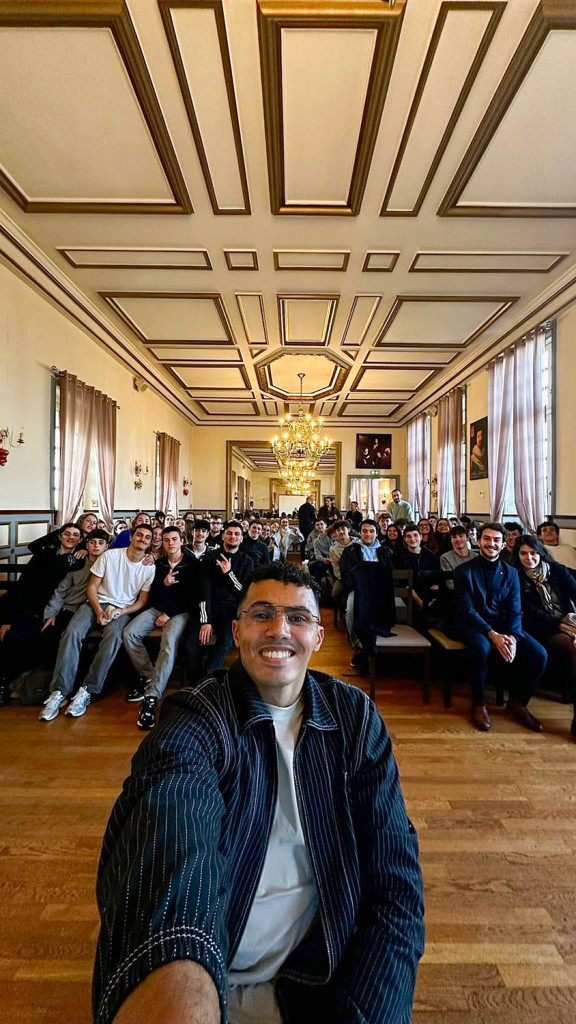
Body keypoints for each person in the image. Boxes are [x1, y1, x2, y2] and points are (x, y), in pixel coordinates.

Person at [93, 561, 424, 1024]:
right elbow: (170, 848)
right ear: (237, 630)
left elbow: (396, 887)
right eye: (262, 614)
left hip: (321, 975)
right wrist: (182, 985)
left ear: (318, 637)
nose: (279, 630)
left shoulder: (355, 720)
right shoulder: (199, 717)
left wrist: (368, 1011)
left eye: (299, 618)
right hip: (213, 972)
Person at [41, 524, 156, 720]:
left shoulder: (149, 567)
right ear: (131, 537)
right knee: (72, 633)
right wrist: (98, 609)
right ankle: (59, 691)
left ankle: (87, 690)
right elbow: (92, 587)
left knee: (113, 638)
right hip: (95, 603)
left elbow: (142, 601)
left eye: (147, 537)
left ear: (150, 542)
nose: (142, 539)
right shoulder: (110, 556)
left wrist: (122, 611)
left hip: (122, 609)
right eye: (139, 535)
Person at [451, 522, 548, 733]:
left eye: (496, 540)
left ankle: (518, 702)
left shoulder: (511, 572)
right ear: (478, 541)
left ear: (504, 544)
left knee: (539, 654)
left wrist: (513, 636)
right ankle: (479, 704)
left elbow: (515, 609)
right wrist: (492, 634)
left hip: (503, 625)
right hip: (472, 624)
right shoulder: (463, 570)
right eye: (487, 539)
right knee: (481, 649)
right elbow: (467, 610)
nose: (491, 544)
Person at [123, 526, 209, 730]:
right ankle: (151, 675)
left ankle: (152, 696)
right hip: (157, 609)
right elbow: (151, 595)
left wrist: (169, 613)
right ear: (162, 542)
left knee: (168, 641)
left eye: (174, 539)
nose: (170, 543)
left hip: (180, 613)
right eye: (166, 540)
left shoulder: (193, 564)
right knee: (129, 633)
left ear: (182, 541)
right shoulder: (159, 563)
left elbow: (194, 598)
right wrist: (164, 583)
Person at [0, 522, 83, 705]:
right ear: (59, 536)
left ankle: (33, 679)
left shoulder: (78, 560)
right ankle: (5, 682)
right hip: (30, 606)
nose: (70, 537)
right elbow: (22, 586)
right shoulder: (43, 554)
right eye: (66, 533)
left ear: (81, 540)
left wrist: (82, 548)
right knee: (11, 635)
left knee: (46, 636)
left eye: (75, 535)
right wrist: (9, 618)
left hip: (56, 609)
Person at [513, 534, 576, 735]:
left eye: (533, 553)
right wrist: (561, 623)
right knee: (572, 646)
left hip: (567, 620)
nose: (529, 558)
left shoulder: (558, 571)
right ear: (518, 555)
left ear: (541, 553)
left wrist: (571, 619)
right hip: (540, 627)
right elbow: (528, 612)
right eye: (523, 553)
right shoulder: (515, 576)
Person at [182, 521, 254, 675]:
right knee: (189, 643)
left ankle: (208, 679)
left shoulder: (246, 561)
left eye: (236, 534)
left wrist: (229, 573)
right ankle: (196, 681)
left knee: (225, 641)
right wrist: (205, 621)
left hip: (230, 610)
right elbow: (203, 591)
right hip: (207, 607)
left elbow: (244, 594)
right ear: (223, 536)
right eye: (229, 533)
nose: (232, 536)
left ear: (242, 538)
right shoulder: (210, 557)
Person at [393, 524, 442, 630]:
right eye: (409, 536)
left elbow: (436, 581)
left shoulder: (432, 557)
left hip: (428, 593)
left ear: (420, 537)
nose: (412, 539)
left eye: (415, 535)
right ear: (405, 539)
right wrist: (422, 603)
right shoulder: (398, 558)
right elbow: (403, 584)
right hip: (410, 595)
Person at [327, 519, 358, 602]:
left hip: (357, 576)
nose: (341, 532)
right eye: (338, 530)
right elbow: (335, 568)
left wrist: (342, 561)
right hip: (342, 577)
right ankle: (343, 610)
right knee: (335, 593)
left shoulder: (358, 544)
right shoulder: (333, 549)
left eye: (343, 529)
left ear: (348, 530)